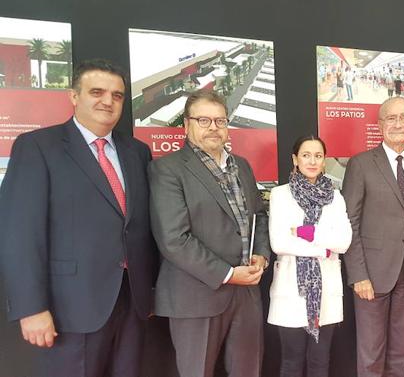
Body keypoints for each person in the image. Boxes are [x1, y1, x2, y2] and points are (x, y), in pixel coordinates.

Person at [0, 59, 157, 377]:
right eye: (96, 91)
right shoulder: (38, 148)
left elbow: (140, 228)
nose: (108, 101)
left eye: (117, 95)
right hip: (68, 308)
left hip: (132, 304)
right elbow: (19, 234)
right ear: (74, 96)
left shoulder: (137, 152)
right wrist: (31, 307)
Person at [148, 90, 269, 377]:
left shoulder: (241, 166)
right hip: (196, 294)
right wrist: (228, 273)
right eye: (204, 120)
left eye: (220, 121)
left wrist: (261, 255)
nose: (214, 127)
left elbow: (259, 217)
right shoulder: (167, 169)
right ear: (186, 125)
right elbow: (173, 239)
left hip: (247, 293)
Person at [342, 96, 404, 377]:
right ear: (380, 124)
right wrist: (358, 274)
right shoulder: (360, 164)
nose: (398, 124)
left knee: (402, 350)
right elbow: (350, 222)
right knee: (371, 352)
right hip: (372, 274)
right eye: (391, 118)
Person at [267, 135, 352, 377]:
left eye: (318, 156)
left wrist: (306, 231)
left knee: (319, 361)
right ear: (295, 159)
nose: (312, 161)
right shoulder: (280, 194)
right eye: (306, 155)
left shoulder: (335, 197)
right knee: (291, 361)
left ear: (324, 160)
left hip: (326, 291)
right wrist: (324, 248)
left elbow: (344, 241)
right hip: (291, 289)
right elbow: (279, 242)